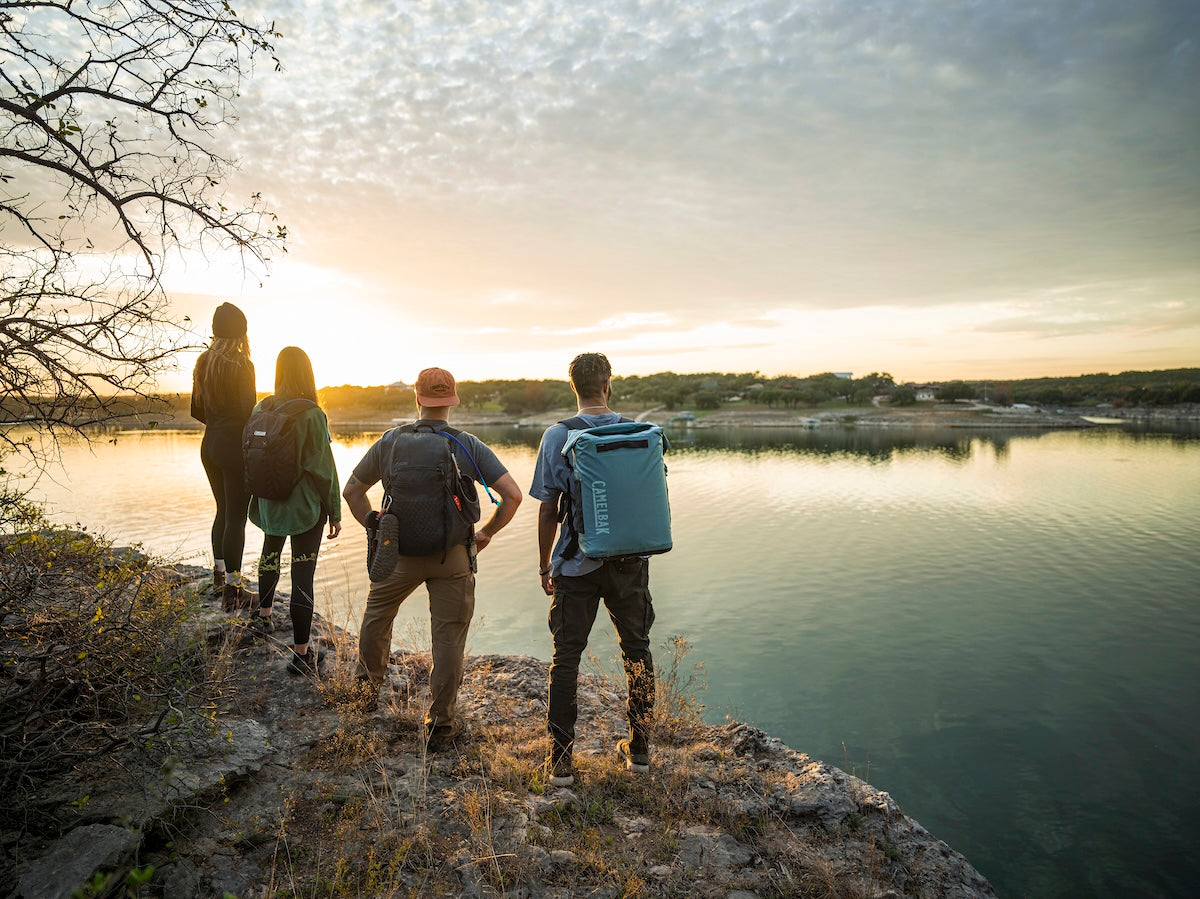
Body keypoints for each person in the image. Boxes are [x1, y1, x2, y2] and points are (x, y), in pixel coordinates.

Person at [342, 367, 522, 751]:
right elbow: (513, 495)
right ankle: (440, 724)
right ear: (452, 400)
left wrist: (375, 526)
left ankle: (364, 698)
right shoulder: (466, 444)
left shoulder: (390, 442)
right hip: (453, 557)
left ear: (417, 398)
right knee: (448, 638)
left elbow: (352, 492)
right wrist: (486, 532)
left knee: (377, 619)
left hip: (398, 557)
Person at [530, 352, 656, 787]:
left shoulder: (557, 435)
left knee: (566, 658)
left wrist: (545, 563)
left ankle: (561, 761)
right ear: (608, 384)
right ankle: (639, 752)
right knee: (637, 651)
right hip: (629, 562)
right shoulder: (638, 432)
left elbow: (549, 508)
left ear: (573, 387)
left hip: (576, 564)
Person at [246, 347, 342, 675]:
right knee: (303, 574)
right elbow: (324, 469)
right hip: (303, 507)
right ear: (307, 373)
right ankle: (302, 655)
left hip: (269, 500)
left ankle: (264, 618)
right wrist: (335, 512)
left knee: (269, 555)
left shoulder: (262, 406)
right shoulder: (312, 414)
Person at [191, 303, 256, 611]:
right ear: (241, 331)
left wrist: (217, 426)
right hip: (233, 448)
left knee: (222, 510)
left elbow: (195, 410)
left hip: (210, 445)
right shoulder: (242, 364)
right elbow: (248, 412)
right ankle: (234, 590)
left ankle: (219, 575)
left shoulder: (203, 361)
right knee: (236, 518)